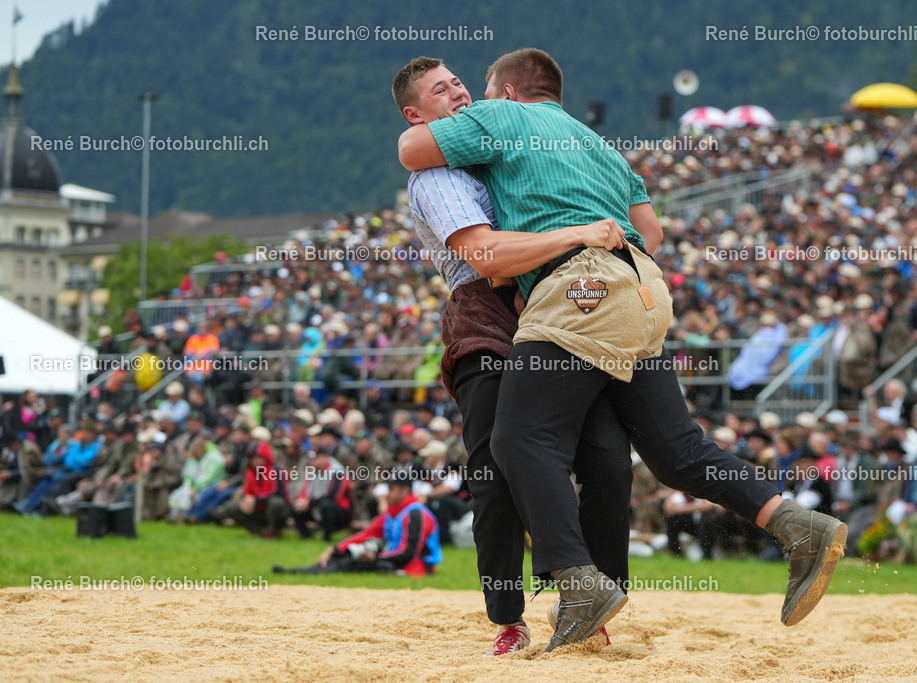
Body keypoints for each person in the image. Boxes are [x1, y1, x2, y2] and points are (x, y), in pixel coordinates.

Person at [398, 48, 846, 649]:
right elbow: (652, 232)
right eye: (446, 89)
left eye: (470, 87)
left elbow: (411, 153)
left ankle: (581, 585)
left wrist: (567, 232)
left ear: (504, 92)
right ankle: (794, 523)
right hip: (640, 287)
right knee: (675, 450)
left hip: (577, 287)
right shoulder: (598, 144)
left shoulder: (502, 118)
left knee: (519, 439)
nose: (464, 98)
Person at [393, 55, 633, 655]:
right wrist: (577, 234)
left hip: (559, 303)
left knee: (605, 457)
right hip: (488, 315)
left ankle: (592, 597)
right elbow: (488, 257)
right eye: (440, 91)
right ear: (416, 117)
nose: (457, 92)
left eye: (458, 82)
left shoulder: (502, 144)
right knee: (495, 473)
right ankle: (508, 618)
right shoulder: (438, 175)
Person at [274, 469, 441, 576]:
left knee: (352, 562)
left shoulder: (416, 514)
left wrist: (376, 557)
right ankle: (304, 570)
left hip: (416, 567)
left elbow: (409, 553)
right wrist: (334, 549)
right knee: (345, 554)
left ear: (405, 491)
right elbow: (366, 534)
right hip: (394, 561)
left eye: (392, 490)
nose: (388, 494)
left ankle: (300, 573)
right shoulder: (394, 512)